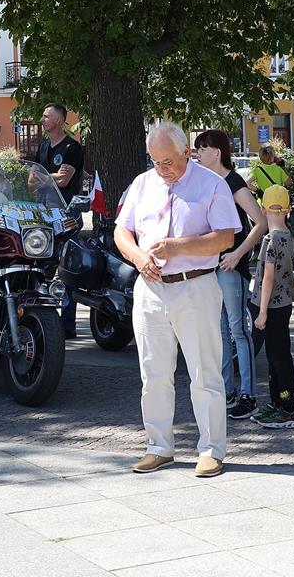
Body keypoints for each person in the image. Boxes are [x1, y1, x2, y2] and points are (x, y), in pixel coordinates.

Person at [114, 123, 240, 478]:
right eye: (154, 161)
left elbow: (225, 238)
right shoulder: (143, 183)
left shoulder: (211, 184)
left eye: (167, 161)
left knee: (204, 372)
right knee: (153, 373)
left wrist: (178, 247)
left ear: (187, 152)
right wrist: (138, 258)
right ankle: (158, 446)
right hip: (150, 287)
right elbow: (122, 231)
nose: (161, 168)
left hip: (195, 286)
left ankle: (211, 450)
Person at [193, 130, 268, 420]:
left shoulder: (233, 181)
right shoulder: (207, 182)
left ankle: (248, 394)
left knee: (238, 330)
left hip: (231, 267)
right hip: (212, 265)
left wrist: (237, 254)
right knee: (220, 331)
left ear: (217, 152)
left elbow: (260, 223)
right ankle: (227, 390)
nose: (198, 153)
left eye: (203, 148)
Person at [249, 185, 294, 429]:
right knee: (276, 355)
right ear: (288, 208)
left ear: (263, 209)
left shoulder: (270, 240)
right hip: (284, 302)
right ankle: (277, 402)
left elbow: (268, 277)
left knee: (277, 357)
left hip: (271, 305)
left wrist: (261, 312)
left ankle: (287, 408)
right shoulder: (287, 235)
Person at [36, 103, 85, 337]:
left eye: (46, 116)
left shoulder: (72, 147)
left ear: (58, 120)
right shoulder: (43, 146)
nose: (42, 119)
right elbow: (31, 179)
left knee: (66, 270)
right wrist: (49, 177)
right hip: (43, 213)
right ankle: (41, 320)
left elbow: (64, 180)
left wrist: (43, 178)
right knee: (41, 267)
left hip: (67, 215)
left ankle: (67, 324)